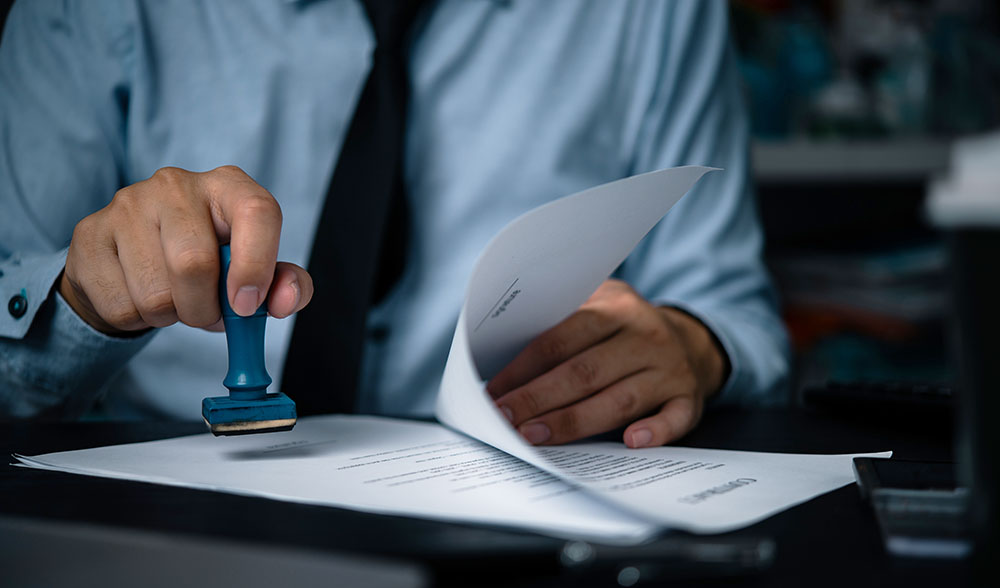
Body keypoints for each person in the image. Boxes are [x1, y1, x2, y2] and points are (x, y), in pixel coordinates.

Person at [0, 0, 789, 448]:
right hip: (175, 493)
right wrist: (83, 305)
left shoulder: (653, 13)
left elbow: (734, 312)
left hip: (522, 486)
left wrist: (691, 341)